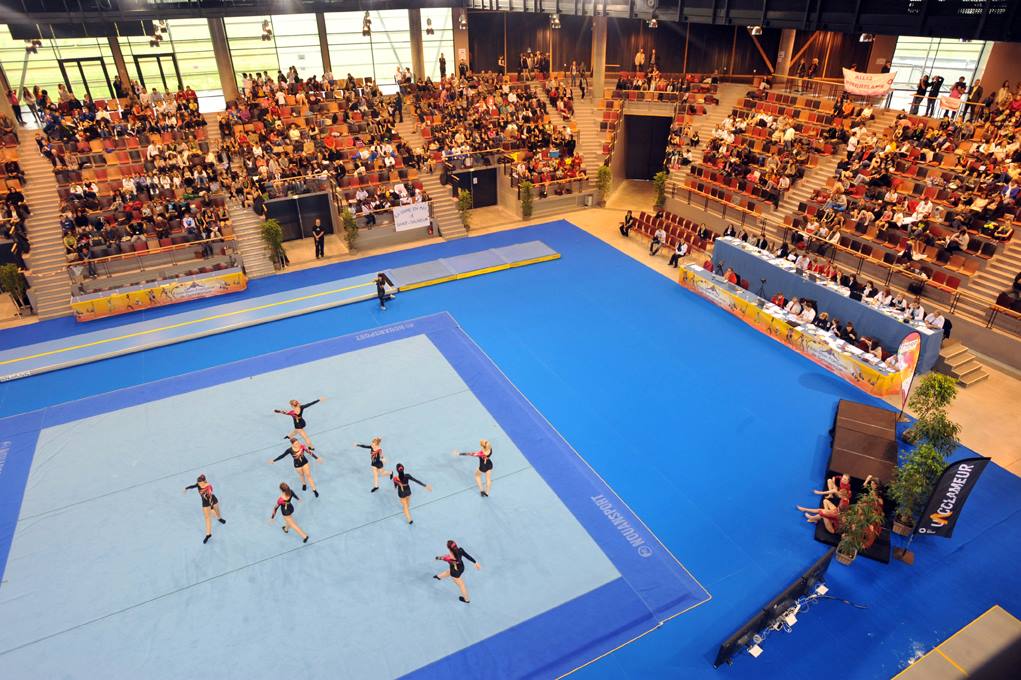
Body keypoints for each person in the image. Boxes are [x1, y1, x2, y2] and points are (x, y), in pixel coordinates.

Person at [183, 474, 226, 544]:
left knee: (216, 511)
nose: (198, 483)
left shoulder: (208, 486)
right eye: (198, 481)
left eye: (200, 482)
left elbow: (210, 498)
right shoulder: (198, 484)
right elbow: (193, 486)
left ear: (204, 481)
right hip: (205, 504)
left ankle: (219, 518)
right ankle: (208, 534)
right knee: (207, 519)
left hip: (213, 501)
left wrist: (212, 508)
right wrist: (186, 488)